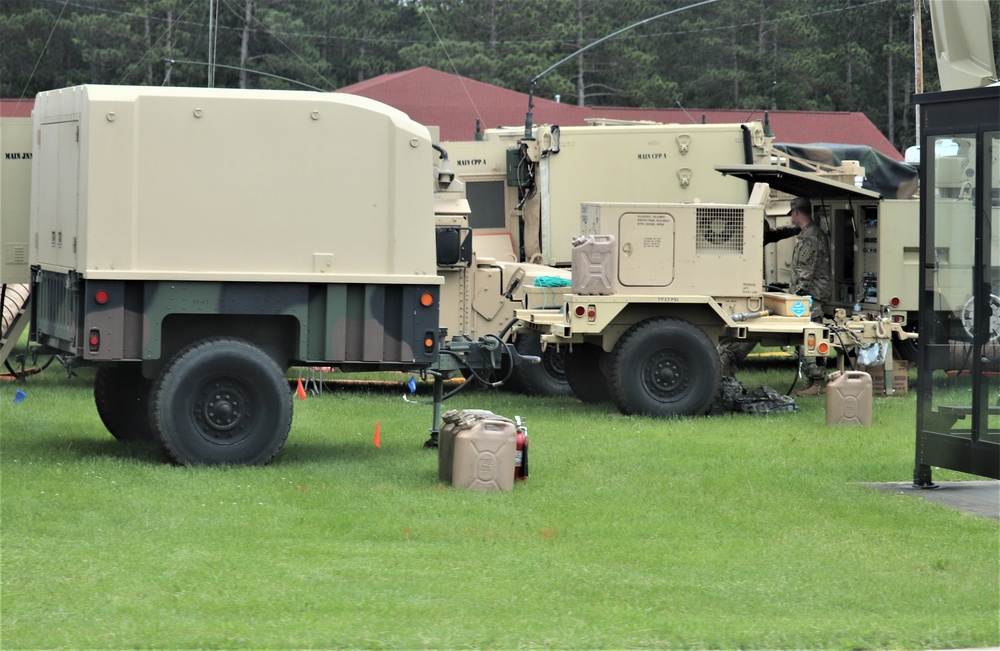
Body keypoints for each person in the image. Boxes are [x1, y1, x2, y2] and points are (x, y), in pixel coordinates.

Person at [788, 196, 832, 396]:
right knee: (810, 338)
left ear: (796, 212)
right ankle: (815, 381)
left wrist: (794, 298)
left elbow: (805, 272)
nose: (791, 217)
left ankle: (817, 382)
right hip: (811, 296)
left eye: (792, 213)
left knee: (809, 339)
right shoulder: (810, 234)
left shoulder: (810, 236)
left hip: (809, 297)